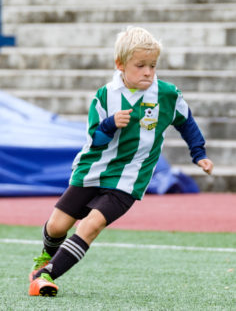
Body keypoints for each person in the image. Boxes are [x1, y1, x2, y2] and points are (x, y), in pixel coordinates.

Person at [28, 26, 214, 296]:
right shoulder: (105, 96)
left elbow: (187, 123)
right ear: (120, 65)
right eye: (140, 66)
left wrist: (199, 154)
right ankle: (45, 258)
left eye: (152, 65)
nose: (148, 72)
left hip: (129, 180)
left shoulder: (167, 95)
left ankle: (44, 276)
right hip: (92, 171)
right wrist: (110, 124)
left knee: (91, 225)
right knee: (57, 226)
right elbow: (95, 138)